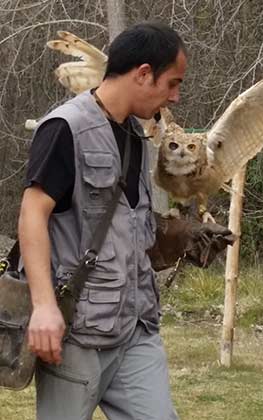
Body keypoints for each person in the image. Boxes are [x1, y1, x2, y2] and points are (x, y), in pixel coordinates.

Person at [18, 22, 233, 420]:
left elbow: (124, 222)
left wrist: (179, 235)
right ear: (143, 73)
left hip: (136, 327)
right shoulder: (66, 128)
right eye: (172, 83)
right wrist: (44, 306)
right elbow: (33, 213)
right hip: (78, 334)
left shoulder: (137, 135)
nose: (176, 96)